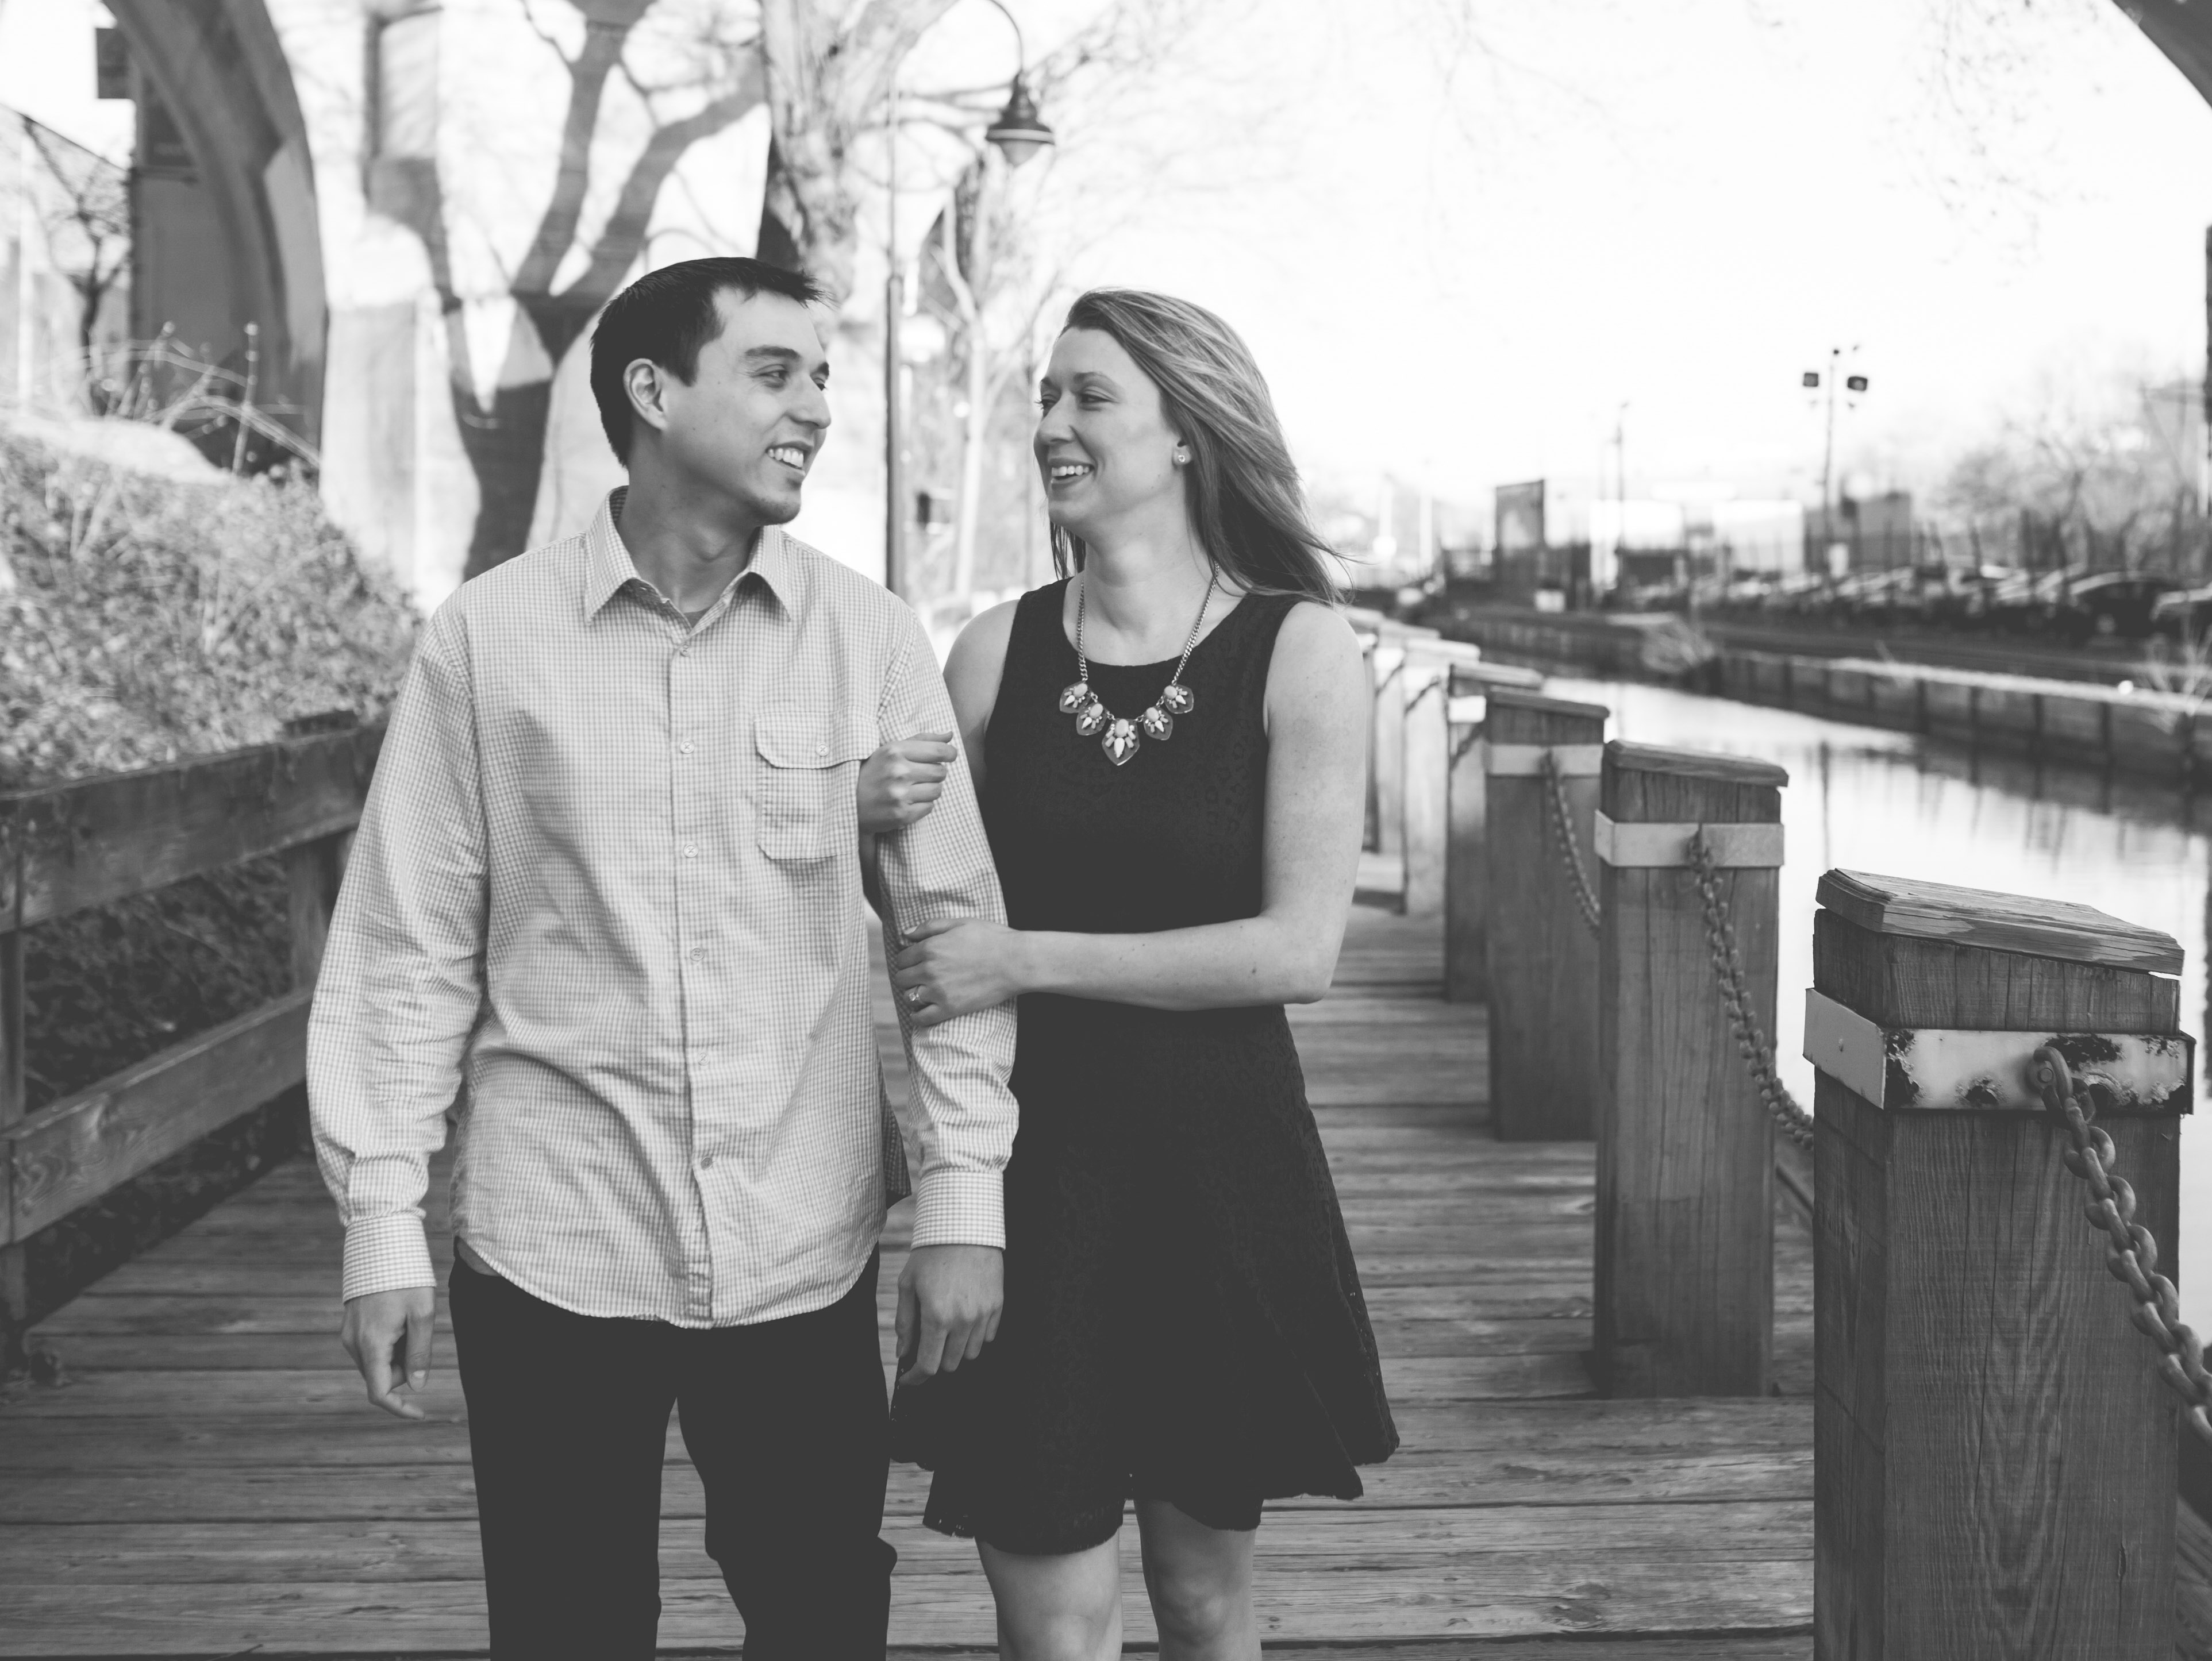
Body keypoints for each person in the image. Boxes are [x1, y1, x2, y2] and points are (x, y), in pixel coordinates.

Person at [305, 257, 1018, 1660]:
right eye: (774, 372)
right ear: (652, 391)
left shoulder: (870, 640)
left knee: (822, 1617)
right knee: (566, 1627)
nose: (816, 407)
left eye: (823, 377)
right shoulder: (488, 641)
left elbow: (951, 939)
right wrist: (381, 1220)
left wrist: (963, 1203)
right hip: (555, 1242)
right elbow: (405, 946)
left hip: (800, 1240)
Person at [883, 287, 1397, 1661]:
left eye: (1089, 396)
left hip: (1219, 1170)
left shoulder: (1299, 649)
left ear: (1186, 433)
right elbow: (921, 916)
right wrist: (864, 820)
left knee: (1202, 1593)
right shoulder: (992, 653)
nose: (1051, 423)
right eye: (1045, 396)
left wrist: (1026, 957)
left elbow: (1299, 949)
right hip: (1031, 1170)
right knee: (1051, 1613)